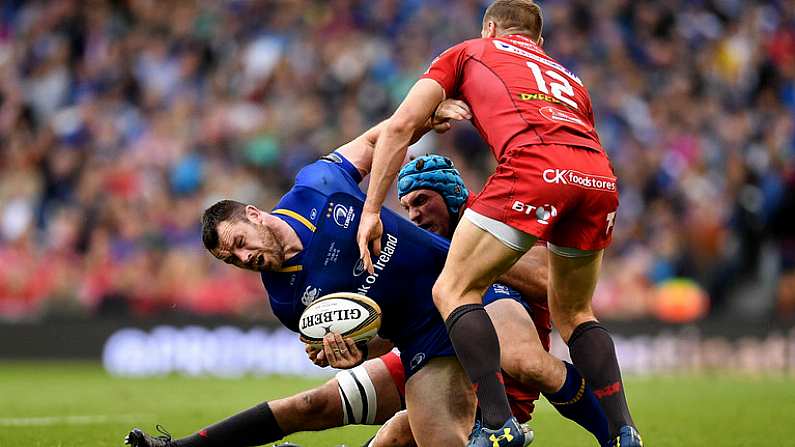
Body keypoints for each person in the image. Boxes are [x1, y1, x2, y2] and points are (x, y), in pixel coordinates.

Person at [125, 113, 608, 447]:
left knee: (524, 359)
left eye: (239, 242)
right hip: (421, 340)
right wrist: (349, 352)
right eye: (232, 260)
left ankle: (618, 432)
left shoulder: (316, 186)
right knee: (325, 410)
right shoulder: (286, 299)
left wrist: (428, 112)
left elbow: (379, 140)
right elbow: (374, 339)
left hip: (465, 288)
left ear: (254, 214)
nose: (244, 257)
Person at [354, 1, 642, 446]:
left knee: (451, 289)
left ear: (490, 28)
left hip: (534, 169)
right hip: (597, 177)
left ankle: (496, 423)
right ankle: (623, 431)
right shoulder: (568, 78)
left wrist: (371, 210)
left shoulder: (469, 51)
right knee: (576, 313)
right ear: (537, 41)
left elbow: (398, 128)